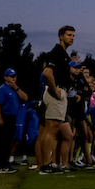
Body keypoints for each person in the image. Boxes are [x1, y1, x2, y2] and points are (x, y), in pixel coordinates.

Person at [37, 26, 76, 174]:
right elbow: (47, 72)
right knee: (50, 131)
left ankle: (47, 164)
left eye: (73, 35)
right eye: (69, 35)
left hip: (58, 93)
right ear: (61, 36)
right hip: (56, 93)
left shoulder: (63, 54)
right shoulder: (57, 52)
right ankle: (46, 165)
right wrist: (55, 90)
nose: (72, 37)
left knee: (52, 131)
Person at [0, 68, 26, 174]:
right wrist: (0, 118)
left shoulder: (15, 89)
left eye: (14, 76)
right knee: (2, 142)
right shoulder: (2, 89)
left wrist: (16, 87)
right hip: (5, 116)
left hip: (12, 117)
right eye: (11, 76)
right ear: (6, 77)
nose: (13, 78)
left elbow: (25, 97)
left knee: (8, 142)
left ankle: (5, 164)